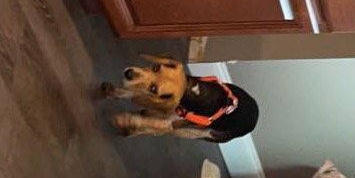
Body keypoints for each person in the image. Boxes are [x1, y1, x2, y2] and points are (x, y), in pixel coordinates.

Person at [100, 55, 260, 143]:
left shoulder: (198, 113)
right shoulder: (181, 78)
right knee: (164, 90)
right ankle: (118, 93)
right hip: (220, 96)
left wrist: (135, 121)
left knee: (175, 127)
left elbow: (170, 125)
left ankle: (140, 129)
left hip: (223, 126)